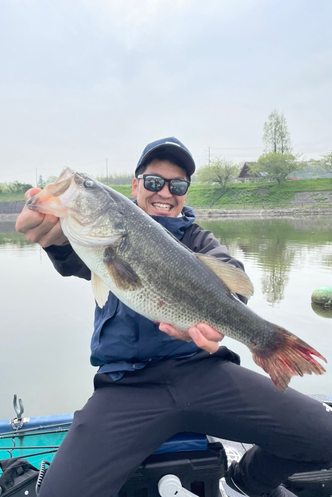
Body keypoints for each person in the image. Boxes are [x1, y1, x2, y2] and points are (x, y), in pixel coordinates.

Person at [16, 137, 332, 497]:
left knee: (326, 437)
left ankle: (245, 480)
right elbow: (71, 254)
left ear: (185, 193)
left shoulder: (200, 241)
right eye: (153, 182)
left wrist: (232, 327)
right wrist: (53, 238)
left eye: (177, 185)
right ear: (135, 186)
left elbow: (234, 282)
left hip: (205, 373)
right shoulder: (98, 238)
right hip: (126, 385)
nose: (164, 191)